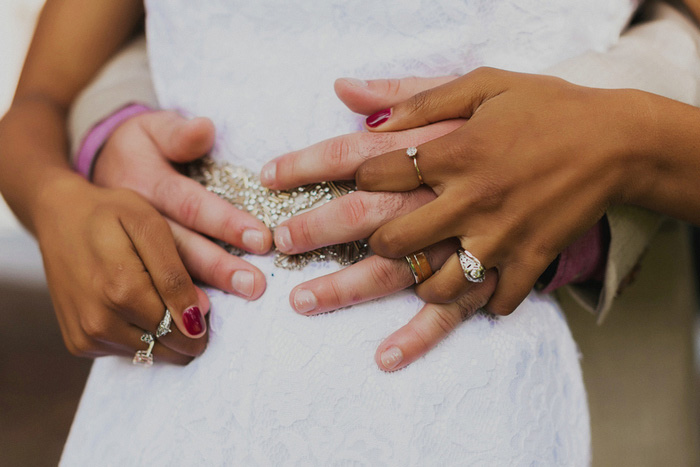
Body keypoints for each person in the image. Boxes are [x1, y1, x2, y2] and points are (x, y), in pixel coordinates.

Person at [0, 0, 698, 463]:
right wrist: (54, 196)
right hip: (175, 407)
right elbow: (40, 100)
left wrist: (626, 142)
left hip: (493, 406)